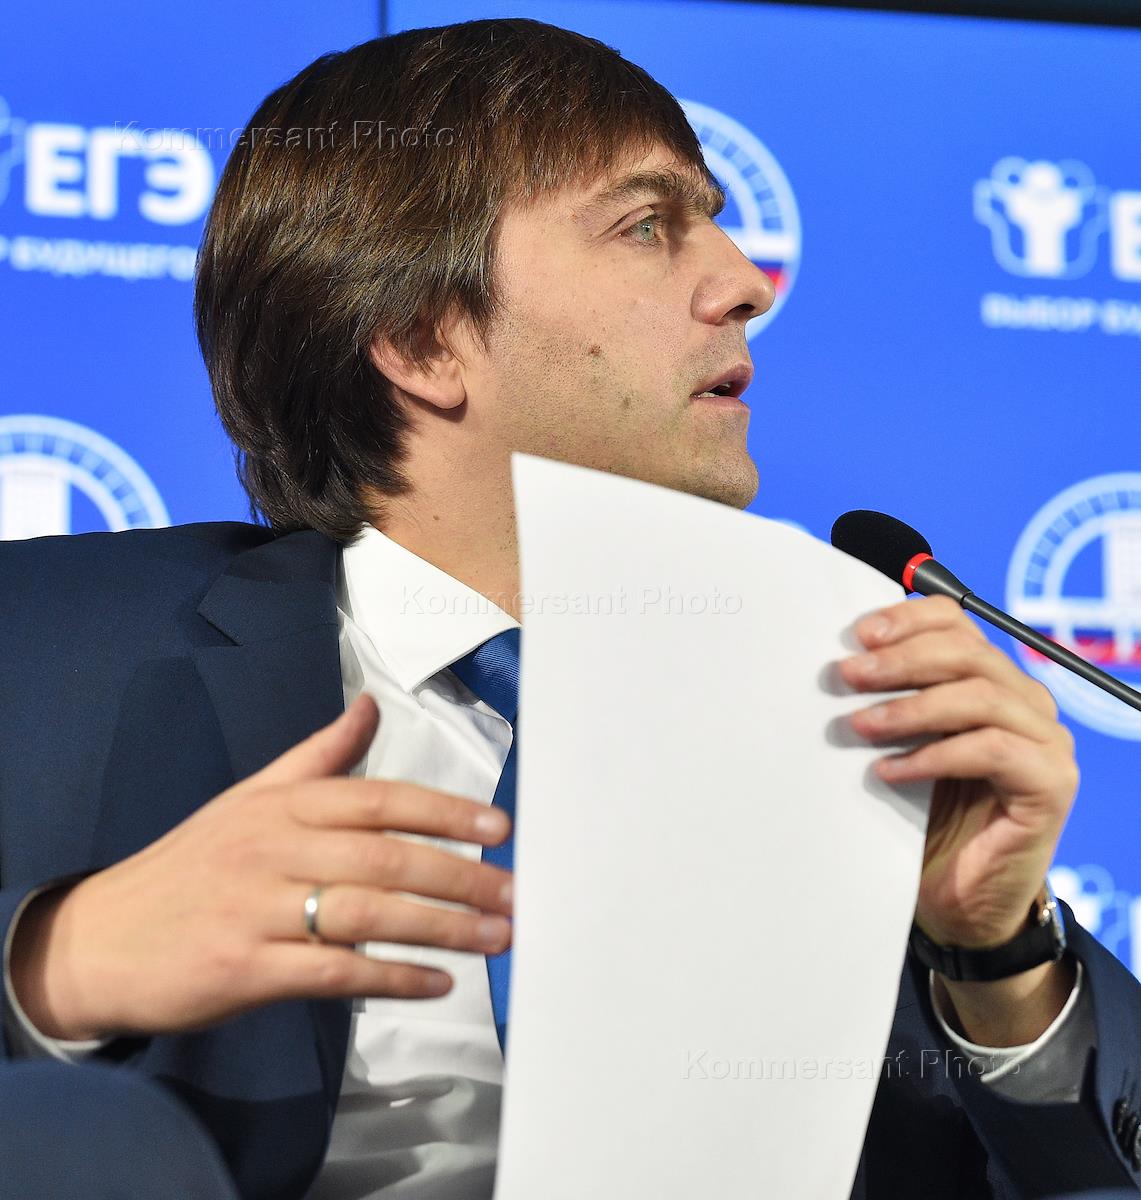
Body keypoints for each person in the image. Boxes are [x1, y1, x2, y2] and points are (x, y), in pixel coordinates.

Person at [1, 17, 1139, 1200]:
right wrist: (58, 961)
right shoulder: (42, 646)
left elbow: (1091, 1165)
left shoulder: (847, 698)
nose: (747, 284)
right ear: (421, 339)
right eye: (646, 225)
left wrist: (994, 947)